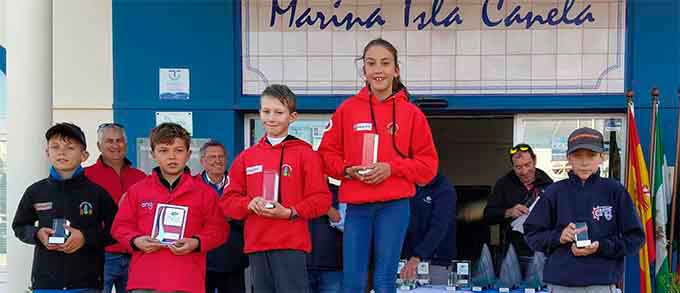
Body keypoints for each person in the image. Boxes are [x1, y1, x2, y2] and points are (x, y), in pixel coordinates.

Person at [318, 38, 438, 293]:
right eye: (371, 64)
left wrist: (392, 169)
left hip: (394, 206)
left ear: (396, 70)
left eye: (385, 63)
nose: (378, 70)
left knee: (384, 281)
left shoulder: (412, 114)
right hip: (357, 207)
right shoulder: (347, 110)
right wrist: (347, 169)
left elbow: (428, 167)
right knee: (353, 282)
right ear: (364, 70)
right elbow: (325, 156)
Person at [221, 84, 331, 293]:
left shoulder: (306, 154)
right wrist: (249, 204)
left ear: (292, 116)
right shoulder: (246, 157)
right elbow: (227, 202)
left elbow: (321, 199)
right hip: (257, 244)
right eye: (266, 111)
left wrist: (290, 212)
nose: (271, 117)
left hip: (291, 244)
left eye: (279, 112)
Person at [524, 127, 645, 293]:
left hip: (602, 284)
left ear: (602, 157)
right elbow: (532, 234)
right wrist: (559, 237)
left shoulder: (615, 191)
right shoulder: (554, 192)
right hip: (561, 285)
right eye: (577, 155)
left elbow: (635, 238)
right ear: (568, 158)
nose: (584, 162)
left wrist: (601, 246)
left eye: (591, 155)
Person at [112, 122, 228, 293]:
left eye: (178, 151)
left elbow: (219, 230)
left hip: (187, 281)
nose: (172, 157)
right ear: (153, 154)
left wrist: (196, 242)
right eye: (164, 150)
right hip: (145, 281)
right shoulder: (137, 191)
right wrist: (136, 240)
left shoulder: (204, 193)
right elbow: (120, 227)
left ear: (188, 155)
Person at [12, 122, 118, 293]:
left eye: (70, 147)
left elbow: (117, 230)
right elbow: (19, 226)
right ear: (47, 153)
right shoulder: (35, 191)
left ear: (84, 155)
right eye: (55, 147)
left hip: (86, 283)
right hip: (46, 284)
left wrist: (85, 237)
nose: (61, 152)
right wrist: (37, 234)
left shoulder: (97, 193)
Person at [84, 122, 146, 293]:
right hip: (100, 256)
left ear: (125, 144)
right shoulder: (86, 176)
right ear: (99, 145)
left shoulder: (141, 177)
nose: (115, 145)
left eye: (119, 140)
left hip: (134, 254)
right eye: (109, 141)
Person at [483, 143, 553, 267]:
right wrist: (508, 212)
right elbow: (488, 215)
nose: (524, 171)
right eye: (518, 167)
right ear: (513, 166)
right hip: (512, 252)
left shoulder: (548, 184)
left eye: (527, 165)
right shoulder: (503, 184)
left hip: (541, 251)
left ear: (535, 160)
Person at [195, 140, 248, 293]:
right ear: (202, 161)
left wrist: (234, 216)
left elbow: (249, 217)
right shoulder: (192, 186)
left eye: (221, 156)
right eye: (212, 157)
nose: (217, 161)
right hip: (202, 261)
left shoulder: (240, 186)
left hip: (233, 260)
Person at [400, 173, 457, 285]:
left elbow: (439, 227)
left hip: (437, 263)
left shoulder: (444, 188)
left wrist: (417, 256)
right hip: (407, 261)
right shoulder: (406, 184)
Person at [307, 180, 344, 293]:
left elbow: (345, 223)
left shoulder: (340, 191)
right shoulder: (296, 192)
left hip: (332, 267)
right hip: (301, 266)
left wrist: (324, 206)